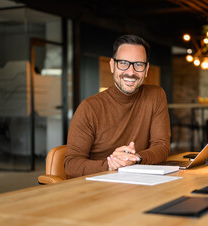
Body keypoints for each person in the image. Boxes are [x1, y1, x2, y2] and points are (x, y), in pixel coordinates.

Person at [64, 34, 171, 178]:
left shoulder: (155, 96)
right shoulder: (89, 108)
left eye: (139, 65)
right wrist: (111, 165)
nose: (131, 72)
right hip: (98, 187)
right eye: (123, 63)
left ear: (146, 69)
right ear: (112, 65)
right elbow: (71, 165)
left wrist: (136, 158)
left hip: (140, 183)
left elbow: (162, 147)